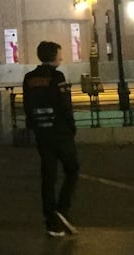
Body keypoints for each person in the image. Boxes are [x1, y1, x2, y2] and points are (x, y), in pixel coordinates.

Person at [23, 41, 79, 238]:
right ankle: (62, 209)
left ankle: (51, 221)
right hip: (59, 131)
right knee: (72, 169)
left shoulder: (29, 78)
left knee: (48, 175)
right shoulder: (57, 77)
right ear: (54, 56)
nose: (61, 58)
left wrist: (33, 125)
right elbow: (64, 104)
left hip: (42, 132)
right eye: (59, 54)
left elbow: (27, 105)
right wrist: (71, 126)